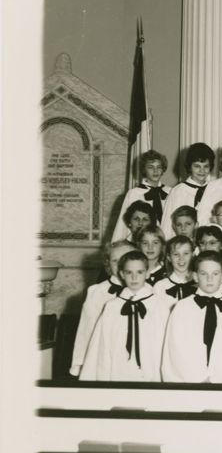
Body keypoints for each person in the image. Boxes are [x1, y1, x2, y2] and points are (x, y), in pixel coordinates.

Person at [79, 249, 171, 382]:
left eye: (139, 272)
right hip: (119, 370)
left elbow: (165, 346)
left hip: (151, 370)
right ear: (121, 274)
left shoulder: (159, 306)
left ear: (147, 273)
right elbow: (102, 345)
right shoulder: (112, 307)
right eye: (129, 272)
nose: (134, 278)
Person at [160, 251, 222, 383]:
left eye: (215, 274)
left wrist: (219, 377)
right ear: (195, 276)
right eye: (204, 274)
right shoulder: (182, 307)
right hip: (190, 381)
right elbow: (175, 350)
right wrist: (198, 377)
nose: (210, 279)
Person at [69, 240, 134, 377]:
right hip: (104, 356)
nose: (121, 265)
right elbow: (86, 330)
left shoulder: (147, 290)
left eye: (126, 259)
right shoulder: (97, 292)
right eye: (115, 261)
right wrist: (80, 364)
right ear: (108, 265)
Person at [111, 149, 174, 241]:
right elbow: (123, 224)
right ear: (144, 169)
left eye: (159, 167)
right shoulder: (134, 193)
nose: (155, 171)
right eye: (151, 167)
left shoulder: (171, 192)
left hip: (167, 239)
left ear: (163, 169)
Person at [160, 142, 215, 238]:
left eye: (206, 166)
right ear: (189, 166)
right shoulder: (178, 191)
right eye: (197, 166)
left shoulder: (214, 190)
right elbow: (167, 226)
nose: (202, 171)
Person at [152, 235, 198, 303]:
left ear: (192, 255)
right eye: (176, 254)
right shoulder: (160, 286)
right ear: (169, 257)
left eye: (186, 253)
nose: (181, 258)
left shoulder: (200, 283)